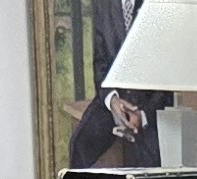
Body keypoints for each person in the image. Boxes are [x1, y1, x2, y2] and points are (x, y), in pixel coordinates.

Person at [69, 0, 168, 169]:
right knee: (79, 144)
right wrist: (113, 100)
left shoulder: (159, 5)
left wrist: (143, 115)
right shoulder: (103, 5)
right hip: (112, 101)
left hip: (150, 105)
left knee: (148, 164)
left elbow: (166, 71)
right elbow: (100, 64)